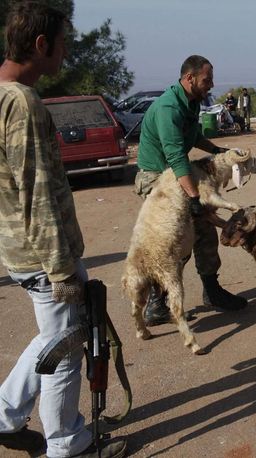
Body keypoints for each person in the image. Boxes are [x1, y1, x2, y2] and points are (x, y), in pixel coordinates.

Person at [0, 3, 127, 457]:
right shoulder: (22, 101)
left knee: (51, 338)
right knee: (68, 350)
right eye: (62, 45)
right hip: (43, 255)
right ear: (41, 45)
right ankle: (67, 445)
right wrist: (61, 271)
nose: (66, 54)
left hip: (19, 250)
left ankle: (6, 413)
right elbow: (36, 195)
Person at [135, 55, 248, 327]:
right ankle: (158, 302)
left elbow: (193, 137)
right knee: (174, 240)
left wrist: (218, 151)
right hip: (157, 179)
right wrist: (195, 198)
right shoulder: (168, 108)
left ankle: (211, 289)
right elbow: (176, 157)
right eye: (207, 79)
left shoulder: (191, 102)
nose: (211, 84)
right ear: (190, 78)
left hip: (176, 177)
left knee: (204, 229)